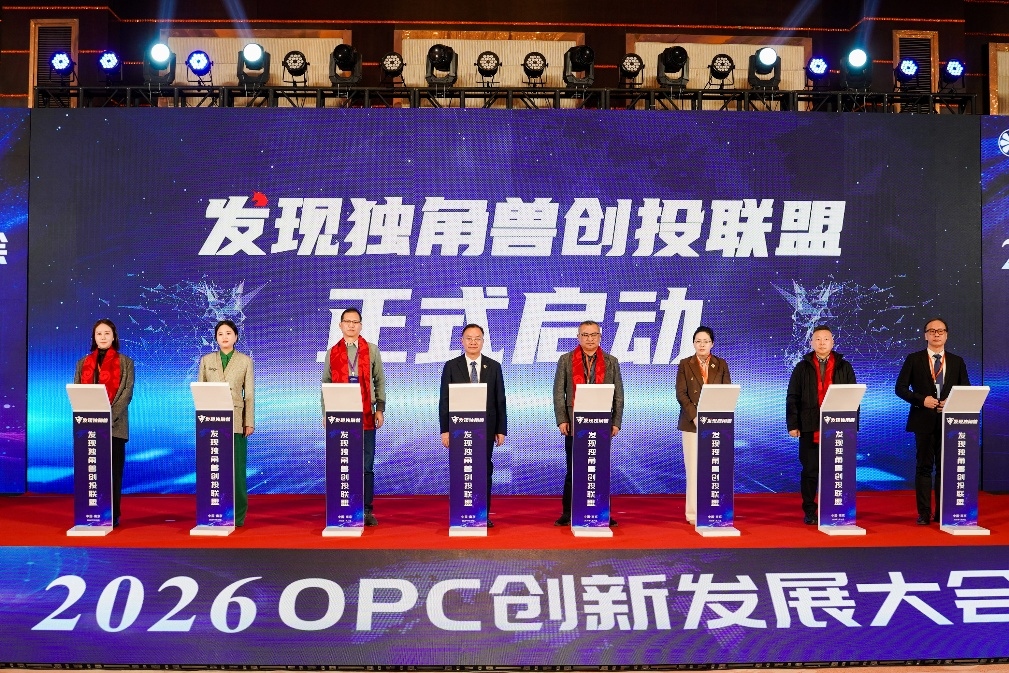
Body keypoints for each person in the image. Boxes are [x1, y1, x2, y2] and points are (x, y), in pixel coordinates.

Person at [895, 318, 971, 525]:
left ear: (946, 335)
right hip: (923, 421)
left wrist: (951, 402)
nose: (936, 334)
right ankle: (924, 513)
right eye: (932, 331)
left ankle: (942, 512)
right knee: (924, 467)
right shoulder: (914, 359)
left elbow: (966, 389)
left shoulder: (957, 361)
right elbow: (900, 388)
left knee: (945, 469)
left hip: (950, 422)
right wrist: (922, 400)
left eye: (940, 331)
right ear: (925, 335)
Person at [553, 320, 624, 526]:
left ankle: (602, 512)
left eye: (594, 335)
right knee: (573, 469)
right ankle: (568, 512)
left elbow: (618, 395)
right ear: (578, 337)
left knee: (599, 469)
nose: (590, 339)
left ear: (600, 337)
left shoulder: (611, 361)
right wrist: (562, 419)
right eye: (585, 335)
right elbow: (558, 392)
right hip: (574, 423)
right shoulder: (566, 360)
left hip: (602, 423)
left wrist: (616, 422)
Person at [786, 325, 856, 525]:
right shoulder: (802, 367)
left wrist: (852, 426)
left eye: (826, 339)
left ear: (832, 342)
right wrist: (793, 424)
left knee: (836, 470)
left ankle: (835, 508)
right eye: (818, 339)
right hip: (809, 426)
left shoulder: (844, 366)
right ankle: (809, 510)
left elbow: (854, 396)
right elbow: (792, 397)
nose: (822, 343)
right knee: (810, 471)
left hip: (838, 427)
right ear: (811, 342)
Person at [322, 308, 386, 526]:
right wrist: (326, 412)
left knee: (366, 465)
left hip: (366, 414)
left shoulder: (372, 350)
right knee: (342, 463)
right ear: (340, 325)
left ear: (361, 325)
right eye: (347, 321)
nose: (351, 325)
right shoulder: (332, 352)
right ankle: (343, 507)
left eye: (355, 322)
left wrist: (380, 408)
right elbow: (326, 383)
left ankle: (366, 510)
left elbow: (379, 380)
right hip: (340, 415)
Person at [439, 323, 507, 527]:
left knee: (484, 470)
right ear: (462, 341)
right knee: (462, 469)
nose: (473, 342)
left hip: (486, 429)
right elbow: (445, 400)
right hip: (458, 429)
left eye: (477, 338)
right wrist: (445, 430)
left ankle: (482, 513)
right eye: (469, 338)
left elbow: (500, 400)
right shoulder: (451, 366)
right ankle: (461, 512)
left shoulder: (494, 366)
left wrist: (501, 429)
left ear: (483, 341)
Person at [74, 319, 134, 527]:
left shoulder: (126, 362)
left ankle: (112, 514)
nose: (103, 337)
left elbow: (126, 394)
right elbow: (78, 392)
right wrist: (92, 419)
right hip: (89, 427)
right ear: (94, 337)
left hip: (115, 426)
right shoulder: (82, 363)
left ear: (114, 336)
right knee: (91, 472)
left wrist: (107, 418)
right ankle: (90, 511)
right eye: (99, 333)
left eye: (107, 333)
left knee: (113, 473)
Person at [198, 319, 254, 527]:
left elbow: (249, 395)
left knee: (237, 470)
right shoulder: (207, 360)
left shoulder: (245, 361)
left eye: (229, 333)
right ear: (216, 338)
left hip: (236, 420)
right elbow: (201, 391)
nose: (224, 337)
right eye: (220, 334)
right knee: (213, 469)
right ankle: (213, 512)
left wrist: (249, 421)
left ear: (236, 337)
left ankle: (237, 515)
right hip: (211, 420)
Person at [675, 326, 731, 525]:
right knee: (693, 469)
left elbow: (726, 391)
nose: (702, 345)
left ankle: (714, 509)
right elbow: (681, 394)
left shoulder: (721, 364)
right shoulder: (685, 364)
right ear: (693, 343)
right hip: (692, 424)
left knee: (714, 468)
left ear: (712, 344)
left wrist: (716, 416)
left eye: (705, 341)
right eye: (698, 341)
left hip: (716, 423)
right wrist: (696, 417)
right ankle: (692, 513)